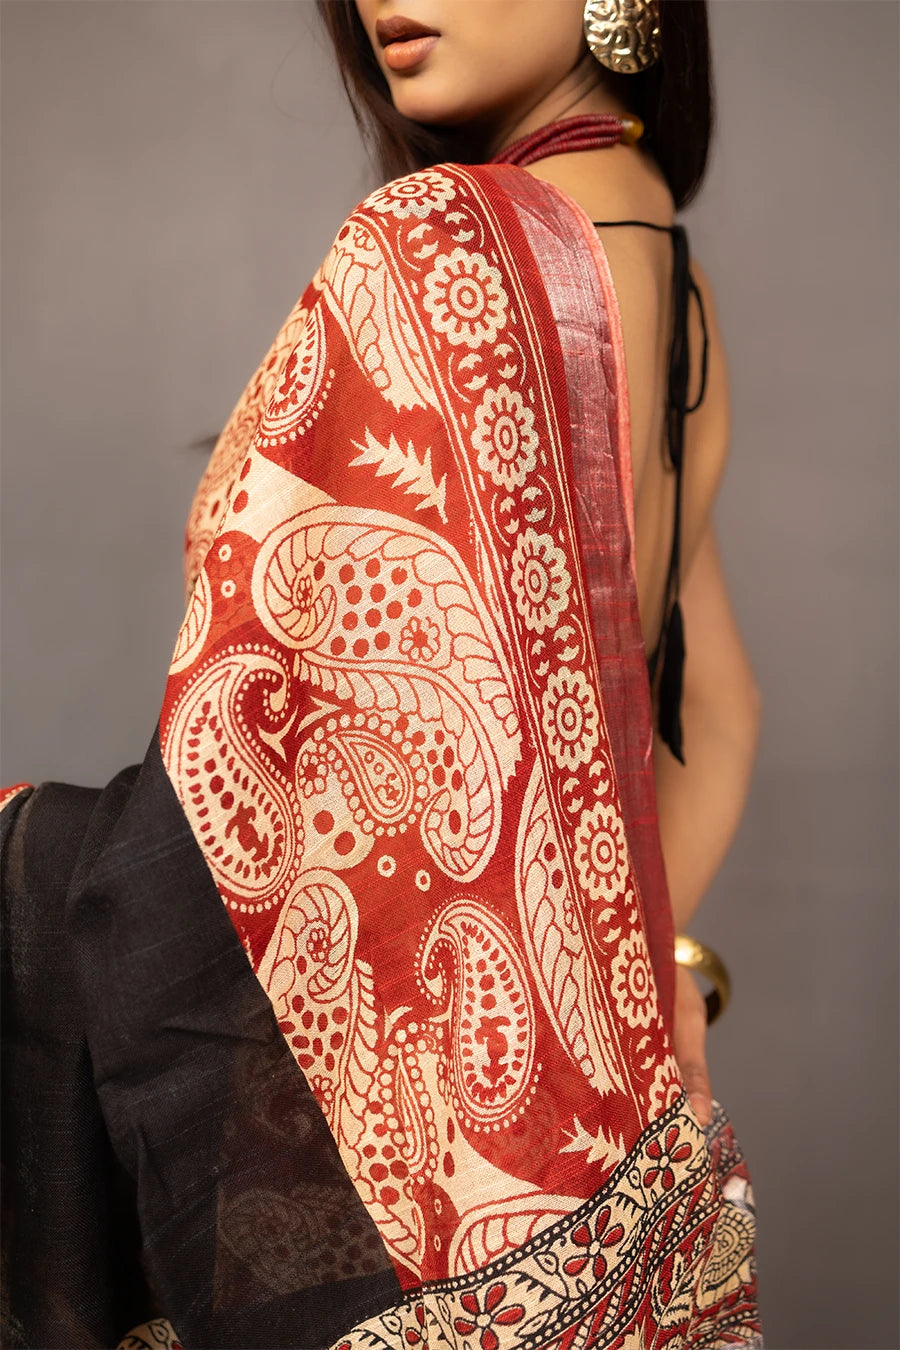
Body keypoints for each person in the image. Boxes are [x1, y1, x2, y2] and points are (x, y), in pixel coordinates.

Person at [1, 2, 763, 1346]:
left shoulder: (436, 241)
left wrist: (21, 854)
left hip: (421, 1248)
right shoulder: (672, 271)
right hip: (618, 1214)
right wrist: (640, 1002)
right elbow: (716, 706)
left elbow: (238, 831)